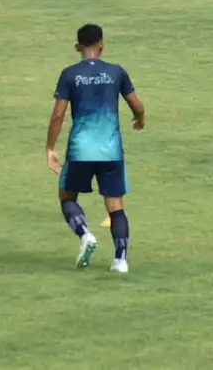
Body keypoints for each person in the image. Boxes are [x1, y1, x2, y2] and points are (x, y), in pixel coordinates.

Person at [46, 24, 145, 273]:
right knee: (115, 205)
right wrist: (139, 118)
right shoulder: (116, 72)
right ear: (102, 45)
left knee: (67, 196)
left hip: (81, 149)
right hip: (111, 150)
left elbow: (58, 115)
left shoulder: (69, 74)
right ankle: (121, 260)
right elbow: (137, 105)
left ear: (77, 48)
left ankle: (85, 235)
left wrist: (50, 148)